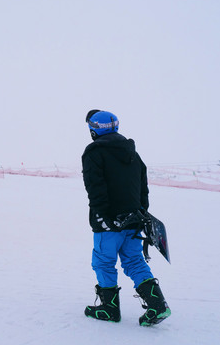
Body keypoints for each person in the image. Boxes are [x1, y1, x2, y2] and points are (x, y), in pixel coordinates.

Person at [82, 109, 170, 326]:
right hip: (133, 219)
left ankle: (109, 308)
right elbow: (143, 186)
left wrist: (104, 217)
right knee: (134, 260)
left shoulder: (94, 152)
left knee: (103, 262)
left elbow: (95, 189)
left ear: (94, 129)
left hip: (108, 222)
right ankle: (157, 305)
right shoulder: (133, 153)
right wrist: (140, 211)